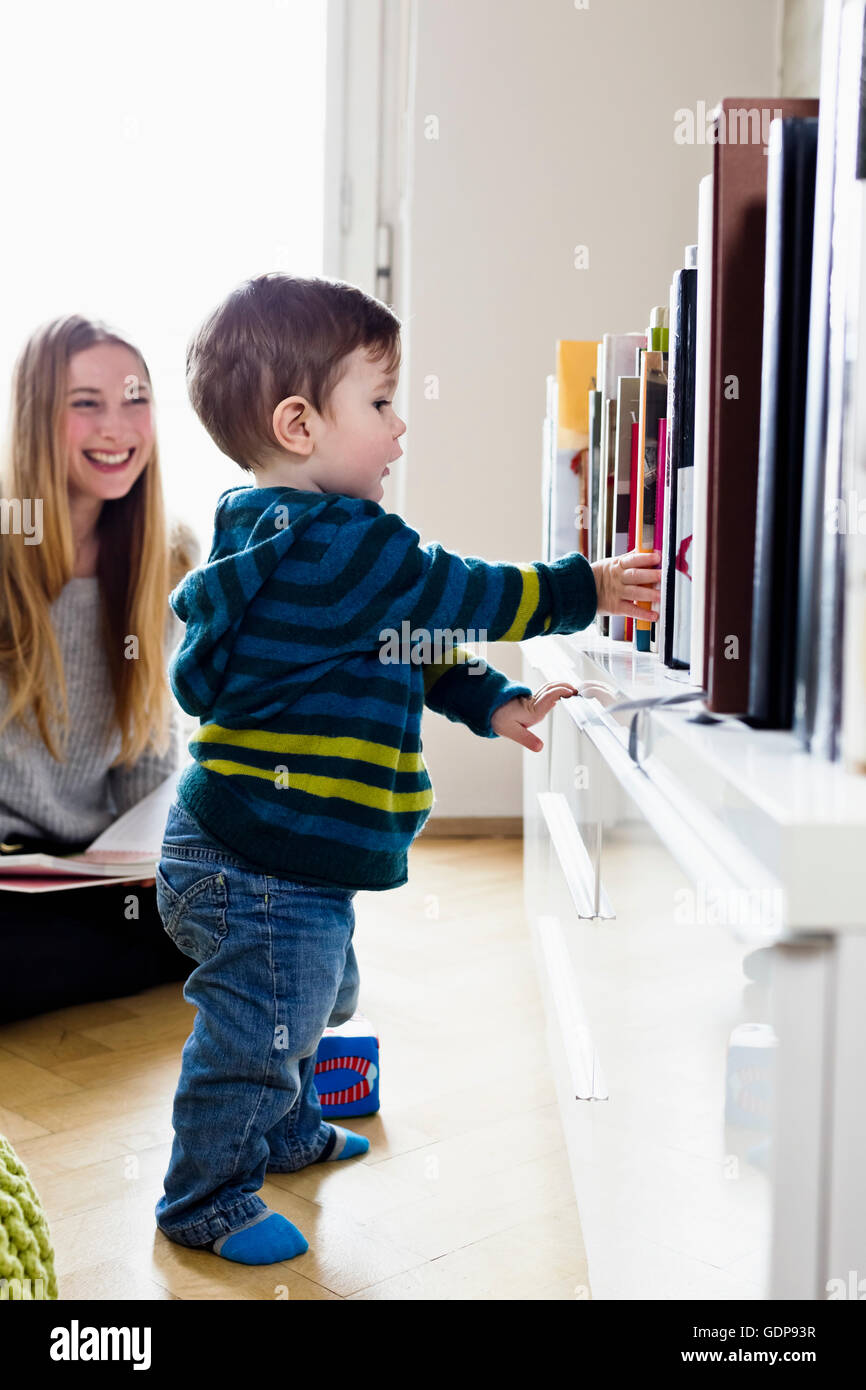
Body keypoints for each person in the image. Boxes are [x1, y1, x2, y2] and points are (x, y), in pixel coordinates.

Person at [154, 272, 662, 1265]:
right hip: (263, 865)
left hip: (250, 850)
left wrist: (487, 699)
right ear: (298, 423)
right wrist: (584, 586)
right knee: (264, 1027)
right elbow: (457, 595)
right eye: (380, 403)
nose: (399, 428)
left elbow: (401, 642)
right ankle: (203, 1197)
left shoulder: (272, 531)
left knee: (320, 998)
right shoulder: (348, 543)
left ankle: (286, 1128)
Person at [0, 315, 198, 1024]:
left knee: (245, 918)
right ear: (36, 417)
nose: (117, 428)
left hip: (85, 872)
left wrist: (162, 857)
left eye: (135, 398)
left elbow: (146, 755)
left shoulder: (168, 558)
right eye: (86, 403)